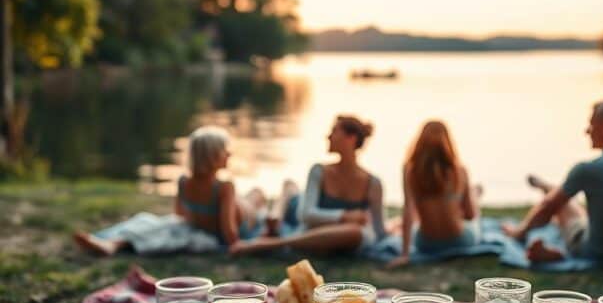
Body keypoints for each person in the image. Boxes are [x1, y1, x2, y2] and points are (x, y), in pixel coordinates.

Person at [502, 100, 603, 269]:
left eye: (591, 125)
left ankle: (547, 189)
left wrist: (518, 233)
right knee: (577, 210)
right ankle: (546, 186)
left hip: (599, 254)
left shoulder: (589, 169)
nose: (587, 131)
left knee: (563, 206)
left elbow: (547, 208)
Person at [74, 126, 273, 255]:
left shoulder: (183, 182)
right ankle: (113, 245)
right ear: (212, 156)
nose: (229, 153)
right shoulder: (224, 187)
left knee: (255, 194)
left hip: (220, 219)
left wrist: (201, 220)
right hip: (247, 222)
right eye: (224, 149)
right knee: (257, 195)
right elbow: (230, 234)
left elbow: (180, 216)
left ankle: (113, 242)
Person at [230, 115, 387, 255]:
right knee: (291, 191)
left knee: (355, 233)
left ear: (351, 138)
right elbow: (305, 215)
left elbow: (379, 231)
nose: (328, 136)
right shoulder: (319, 171)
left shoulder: (373, 183)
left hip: (328, 231)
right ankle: (278, 214)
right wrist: (345, 216)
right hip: (298, 212)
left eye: (334, 131)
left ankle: (273, 242)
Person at [388, 120, 480, 268]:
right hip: (460, 241)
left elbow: (408, 211)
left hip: (426, 243)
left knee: (413, 221)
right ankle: (476, 193)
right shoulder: (459, 171)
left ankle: (474, 193)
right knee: (474, 219)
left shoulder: (410, 170)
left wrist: (405, 255)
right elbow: (470, 215)